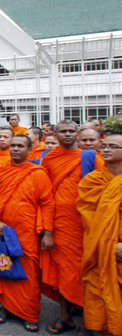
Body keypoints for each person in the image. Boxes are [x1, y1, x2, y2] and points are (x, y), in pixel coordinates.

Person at [0, 135, 55, 332]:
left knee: (28, 271)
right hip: (3, 229)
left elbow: (47, 203)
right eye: (13, 145)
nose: (15, 149)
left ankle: (29, 312)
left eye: (20, 146)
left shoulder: (38, 173)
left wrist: (48, 233)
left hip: (28, 231)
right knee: (4, 266)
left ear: (29, 149)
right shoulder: (1, 171)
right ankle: (7, 307)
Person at [40, 119, 104, 335]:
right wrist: (47, 230)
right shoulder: (49, 159)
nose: (68, 134)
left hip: (86, 225)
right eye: (63, 131)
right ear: (55, 135)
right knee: (61, 272)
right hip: (58, 224)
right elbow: (45, 195)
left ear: (77, 134)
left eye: (71, 131)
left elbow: (105, 191)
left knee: (85, 272)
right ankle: (65, 315)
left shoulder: (91, 158)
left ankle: (87, 318)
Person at [77, 134, 122, 336]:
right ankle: (97, 327)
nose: (106, 149)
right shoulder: (92, 180)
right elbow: (88, 215)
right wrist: (103, 241)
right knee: (95, 284)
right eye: (104, 146)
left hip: (119, 245)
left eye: (113, 146)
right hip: (97, 245)